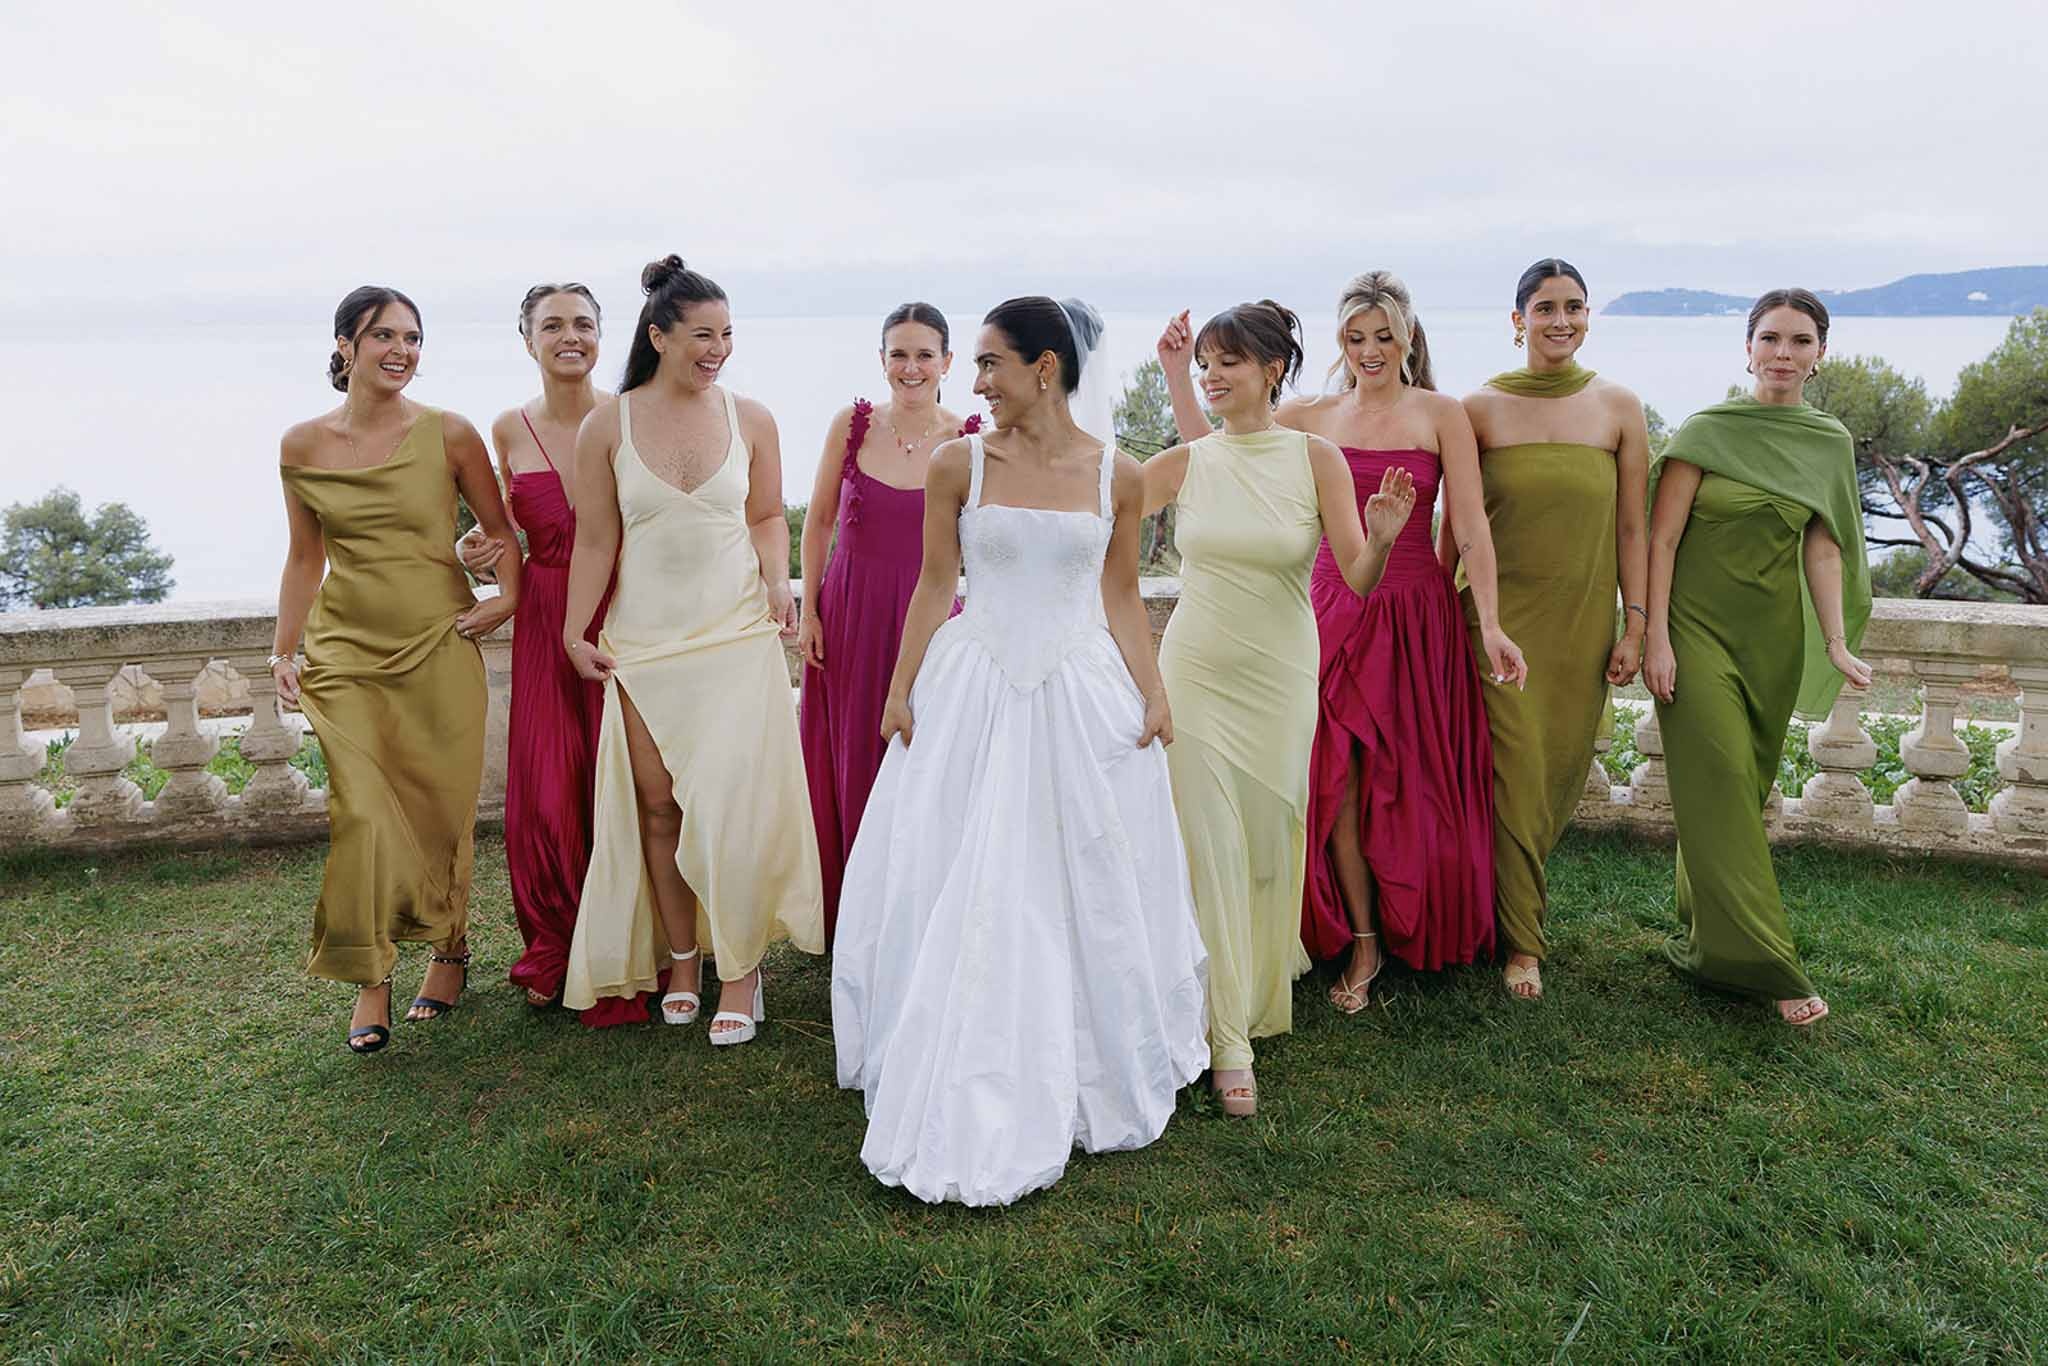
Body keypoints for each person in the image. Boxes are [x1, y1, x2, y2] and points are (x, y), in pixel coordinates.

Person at [833, 297, 1209, 1205]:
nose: (976, 382)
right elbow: (934, 585)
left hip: (1081, 690)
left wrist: (1153, 695)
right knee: (959, 862)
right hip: (976, 683)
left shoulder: (1116, 475)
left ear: (1046, 368)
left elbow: (1122, 598)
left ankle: (1086, 1051)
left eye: (991, 364)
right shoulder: (959, 463)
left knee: (1086, 869)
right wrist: (898, 687)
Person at [1148, 300, 1414, 1116]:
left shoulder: (1315, 456)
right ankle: (1226, 1042)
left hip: (1280, 678)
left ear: (1273, 369)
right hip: (1192, 671)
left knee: (1265, 847)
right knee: (1210, 847)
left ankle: (1247, 989)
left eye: (1229, 362)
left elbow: (1359, 579)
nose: (1213, 375)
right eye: (1205, 365)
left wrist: (1384, 534)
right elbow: (1093, 504)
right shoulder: (1187, 460)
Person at [559, 255, 823, 1041]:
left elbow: (769, 516)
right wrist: (575, 631)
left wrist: (781, 579)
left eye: (728, 334)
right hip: (645, 642)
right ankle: (682, 959)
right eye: (703, 335)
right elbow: (597, 540)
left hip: (737, 634)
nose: (719, 349)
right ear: (659, 336)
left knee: (733, 811)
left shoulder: (755, 418)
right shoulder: (608, 424)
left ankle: (741, 971)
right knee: (660, 807)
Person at [271, 285, 520, 1054]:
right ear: (345, 344)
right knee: (362, 815)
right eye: (383, 335)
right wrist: (286, 648)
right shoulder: (301, 445)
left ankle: (451, 950)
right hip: (345, 653)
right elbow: (306, 556)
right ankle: (370, 977)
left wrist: (503, 596)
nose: (401, 351)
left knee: (439, 813)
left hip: (437, 643)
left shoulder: (451, 434)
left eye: (413, 338)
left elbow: (503, 535)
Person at [1644, 288, 1871, 1026]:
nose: (1783, 353)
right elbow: (1662, 540)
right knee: (1719, 778)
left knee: (1736, 792)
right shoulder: (1706, 431)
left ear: (1820, 355)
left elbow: (1826, 546)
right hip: (1695, 635)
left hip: (1769, 642)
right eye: (1770, 338)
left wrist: (1835, 640)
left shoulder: (1827, 442)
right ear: (1747, 349)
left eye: (1799, 341)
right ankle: (1770, 968)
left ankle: (1708, 934)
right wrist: (1655, 638)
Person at [1459, 258, 1650, 1000]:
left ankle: (1499, 913)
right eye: (1545, 308)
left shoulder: (1619, 408)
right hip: (1495, 621)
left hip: (1579, 626)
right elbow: (1461, 526)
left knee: (1554, 778)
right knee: (1514, 773)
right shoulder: (1477, 409)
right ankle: (1521, 945)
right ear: (1518, 322)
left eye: (1573, 306)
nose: (1560, 320)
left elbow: (1633, 528)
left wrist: (1634, 626)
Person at [796, 303, 981, 945]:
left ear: (948, 363)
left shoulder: (972, 439)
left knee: (921, 762)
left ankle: (916, 916)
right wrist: (810, 609)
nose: (911, 367)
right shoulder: (851, 425)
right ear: (881, 361)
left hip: (930, 623)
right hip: (848, 615)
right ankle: (854, 918)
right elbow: (817, 523)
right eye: (898, 354)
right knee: (852, 761)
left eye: (924, 354)